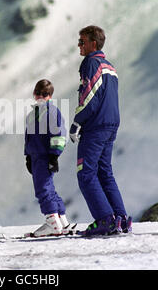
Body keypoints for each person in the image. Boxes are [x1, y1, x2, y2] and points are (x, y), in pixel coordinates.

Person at [69, 25, 132, 236]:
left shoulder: (91, 63)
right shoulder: (110, 66)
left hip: (96, 126)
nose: (79, 45)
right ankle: (120, 219)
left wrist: (77, 121)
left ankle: (105, 219)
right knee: (105, 173)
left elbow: (89, 96)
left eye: (82, 41)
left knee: (86, 173)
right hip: (111, 124)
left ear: (93, 43)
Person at [24, 79, 74, 236]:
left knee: (42, 189)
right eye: (38, 93)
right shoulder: (33, 114)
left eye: (44, 94)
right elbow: (29, 137)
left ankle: (52, 223)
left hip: (45, 156)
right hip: (36, 156)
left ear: (50, 96)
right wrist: (28, 156)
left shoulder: (52, 112)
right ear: (34, 94)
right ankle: (62, 221)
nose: (40, 96)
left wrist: (54, 156)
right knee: (49, 188)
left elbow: (59, 134)